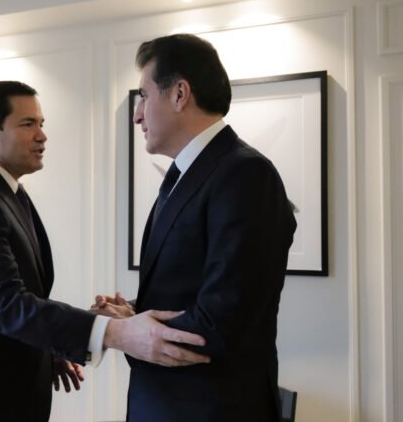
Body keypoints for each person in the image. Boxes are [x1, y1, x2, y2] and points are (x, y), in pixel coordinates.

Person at [0, 80, 210, 421]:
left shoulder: (7, 192)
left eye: (41, 124)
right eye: (28, 124)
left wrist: (50, 347)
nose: (42, 136)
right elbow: (6, 305)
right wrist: (117, 332)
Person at [92, 34, 297, 421]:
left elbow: (223, 320)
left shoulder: (245, 173)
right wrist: (133, 312)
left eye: (143, 96)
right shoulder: (187, 175)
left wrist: (129, 329)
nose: (137, 115)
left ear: (179, 94)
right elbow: (192, 292)